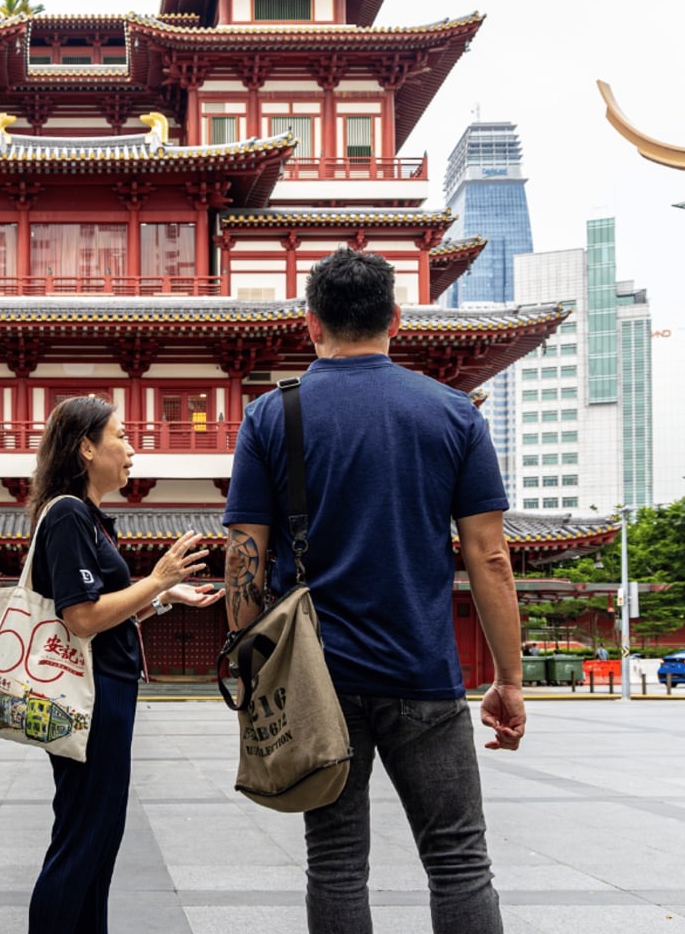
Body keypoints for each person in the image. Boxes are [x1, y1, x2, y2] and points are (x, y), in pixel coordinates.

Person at [223, 247, 526, 934]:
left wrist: (251, 672)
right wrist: (509, 678)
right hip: (423, 671)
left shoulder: (272, 417)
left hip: (314, 679)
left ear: (310, 324)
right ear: (395, 318)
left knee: (333, 862)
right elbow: (490, 555)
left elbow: (244, 553)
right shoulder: (451, 413)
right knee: (457, 859)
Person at [25, 395, 222, 934]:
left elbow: (103, 617)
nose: (132, 450)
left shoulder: (88, 517)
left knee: (99, 836)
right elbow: (83, 618)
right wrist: (156, 579)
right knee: (82, 838)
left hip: (105, 690)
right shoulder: (68, 514)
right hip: (90, 696)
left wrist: (163, 598)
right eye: (122, 436)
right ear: (86, 448)